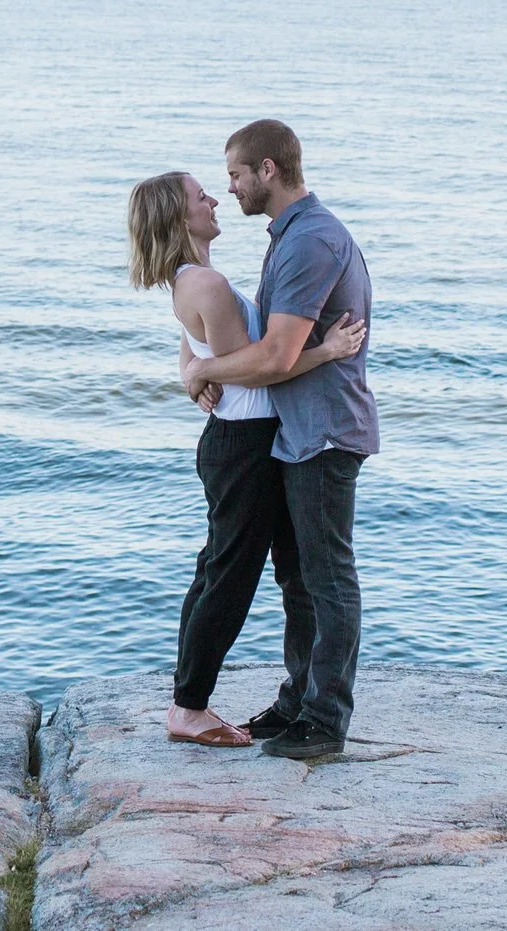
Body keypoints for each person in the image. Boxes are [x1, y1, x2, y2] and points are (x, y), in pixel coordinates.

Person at [127, 168, 363, 749]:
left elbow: (205, 350)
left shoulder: (200, 280)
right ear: (177, 218)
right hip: (244, 444)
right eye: (198, 195)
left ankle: (195, 700)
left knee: (219, 569)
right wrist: (328, 349)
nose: (213, 199)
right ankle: (188, 708)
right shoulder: (205, 284)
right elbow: (262, 370)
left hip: (240, 442)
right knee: (229, 577)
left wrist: (196, 368)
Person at [182, 119, 378, 760]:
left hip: (321, 433)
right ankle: (297, 702)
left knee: (327, 579)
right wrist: (198, 364)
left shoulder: (309, 242)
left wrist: (204, 370)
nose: (229, 187)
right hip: (294, 435)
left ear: (268, 169)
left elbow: (273, 356)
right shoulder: (288, 238)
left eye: (235, 174)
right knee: (297, 578)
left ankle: (324, 723)